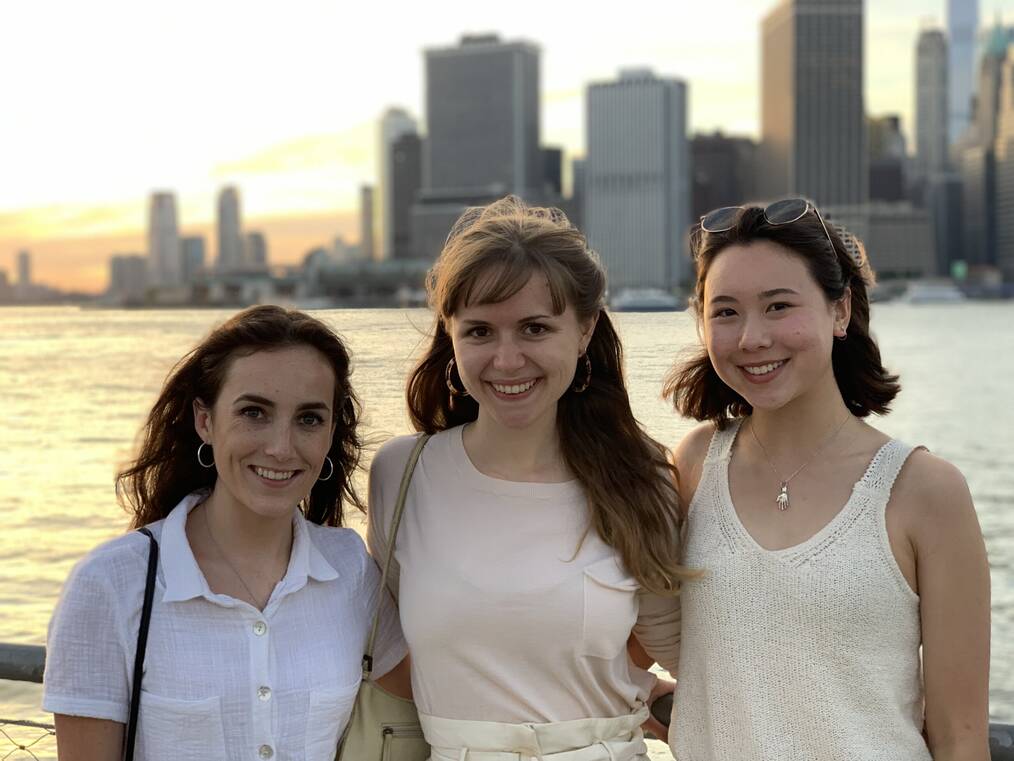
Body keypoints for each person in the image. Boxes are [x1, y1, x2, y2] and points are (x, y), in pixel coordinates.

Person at [664, 199, 991, 760]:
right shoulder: (693, 467)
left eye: (778, 306)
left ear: (839, 311)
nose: (752, 338)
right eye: (725, 312)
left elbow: (961, 737)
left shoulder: (924, 490)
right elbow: (616, 634)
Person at [367, 196, 690, 761]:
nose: (508, 359)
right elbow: (391, 651)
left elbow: (688, 651)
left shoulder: (644, 478)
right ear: (450, 333)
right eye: (480, 332)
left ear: (585, 329)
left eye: (535, 328)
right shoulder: (402, 473)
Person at [43, 305, 408, 761]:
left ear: (331, 431)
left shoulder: (350, 568)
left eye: (309, 418)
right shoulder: (111, 583)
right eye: (254, 412)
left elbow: (424, 708)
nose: (280, 447)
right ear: (205, 420)